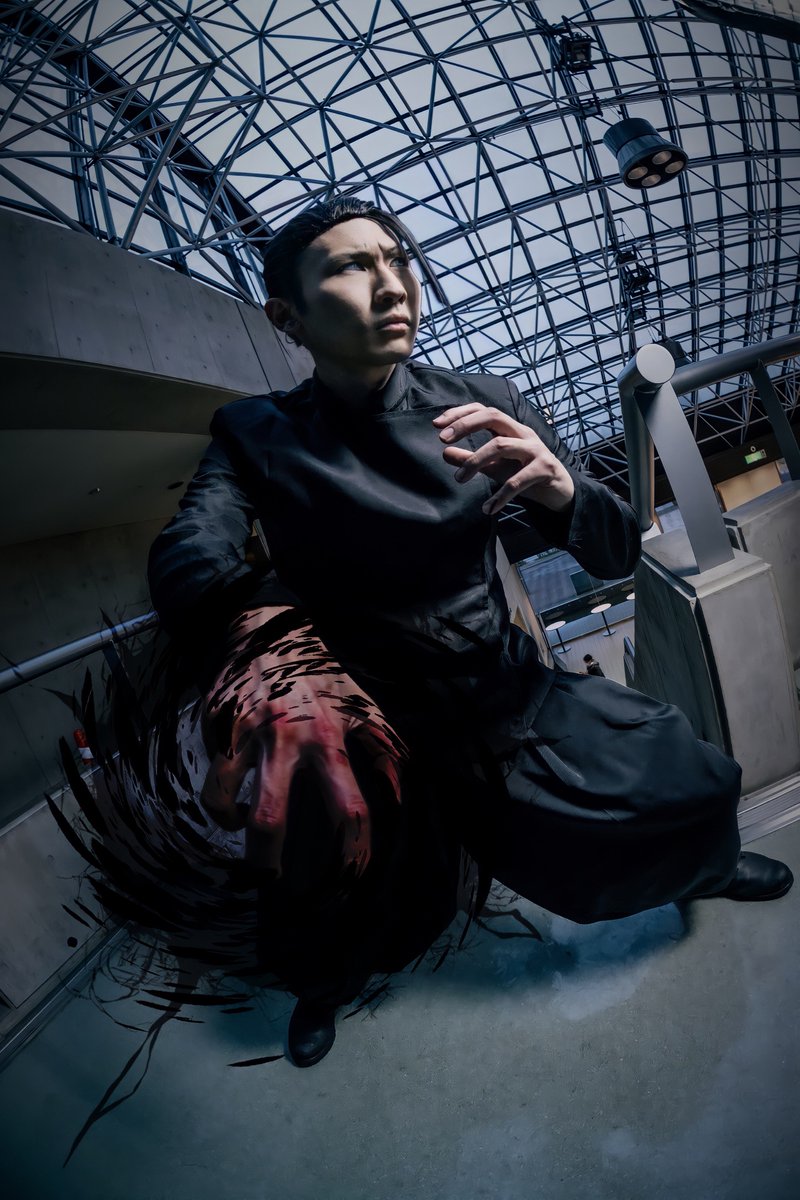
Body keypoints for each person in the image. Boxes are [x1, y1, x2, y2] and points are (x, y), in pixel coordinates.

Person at [147, 197, 792, 1068]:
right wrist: (273, 647)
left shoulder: (483, 402)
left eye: (396, 259)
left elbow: (611, 552)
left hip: (500, 695)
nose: (392, 284)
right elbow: (189, 553)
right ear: (286, 317)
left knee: (683, 776)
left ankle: (706, 868)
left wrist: (562, 488)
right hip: (369, 722)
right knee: (327, 883)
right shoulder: (254, 433)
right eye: (351, 266)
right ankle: (324, 984)